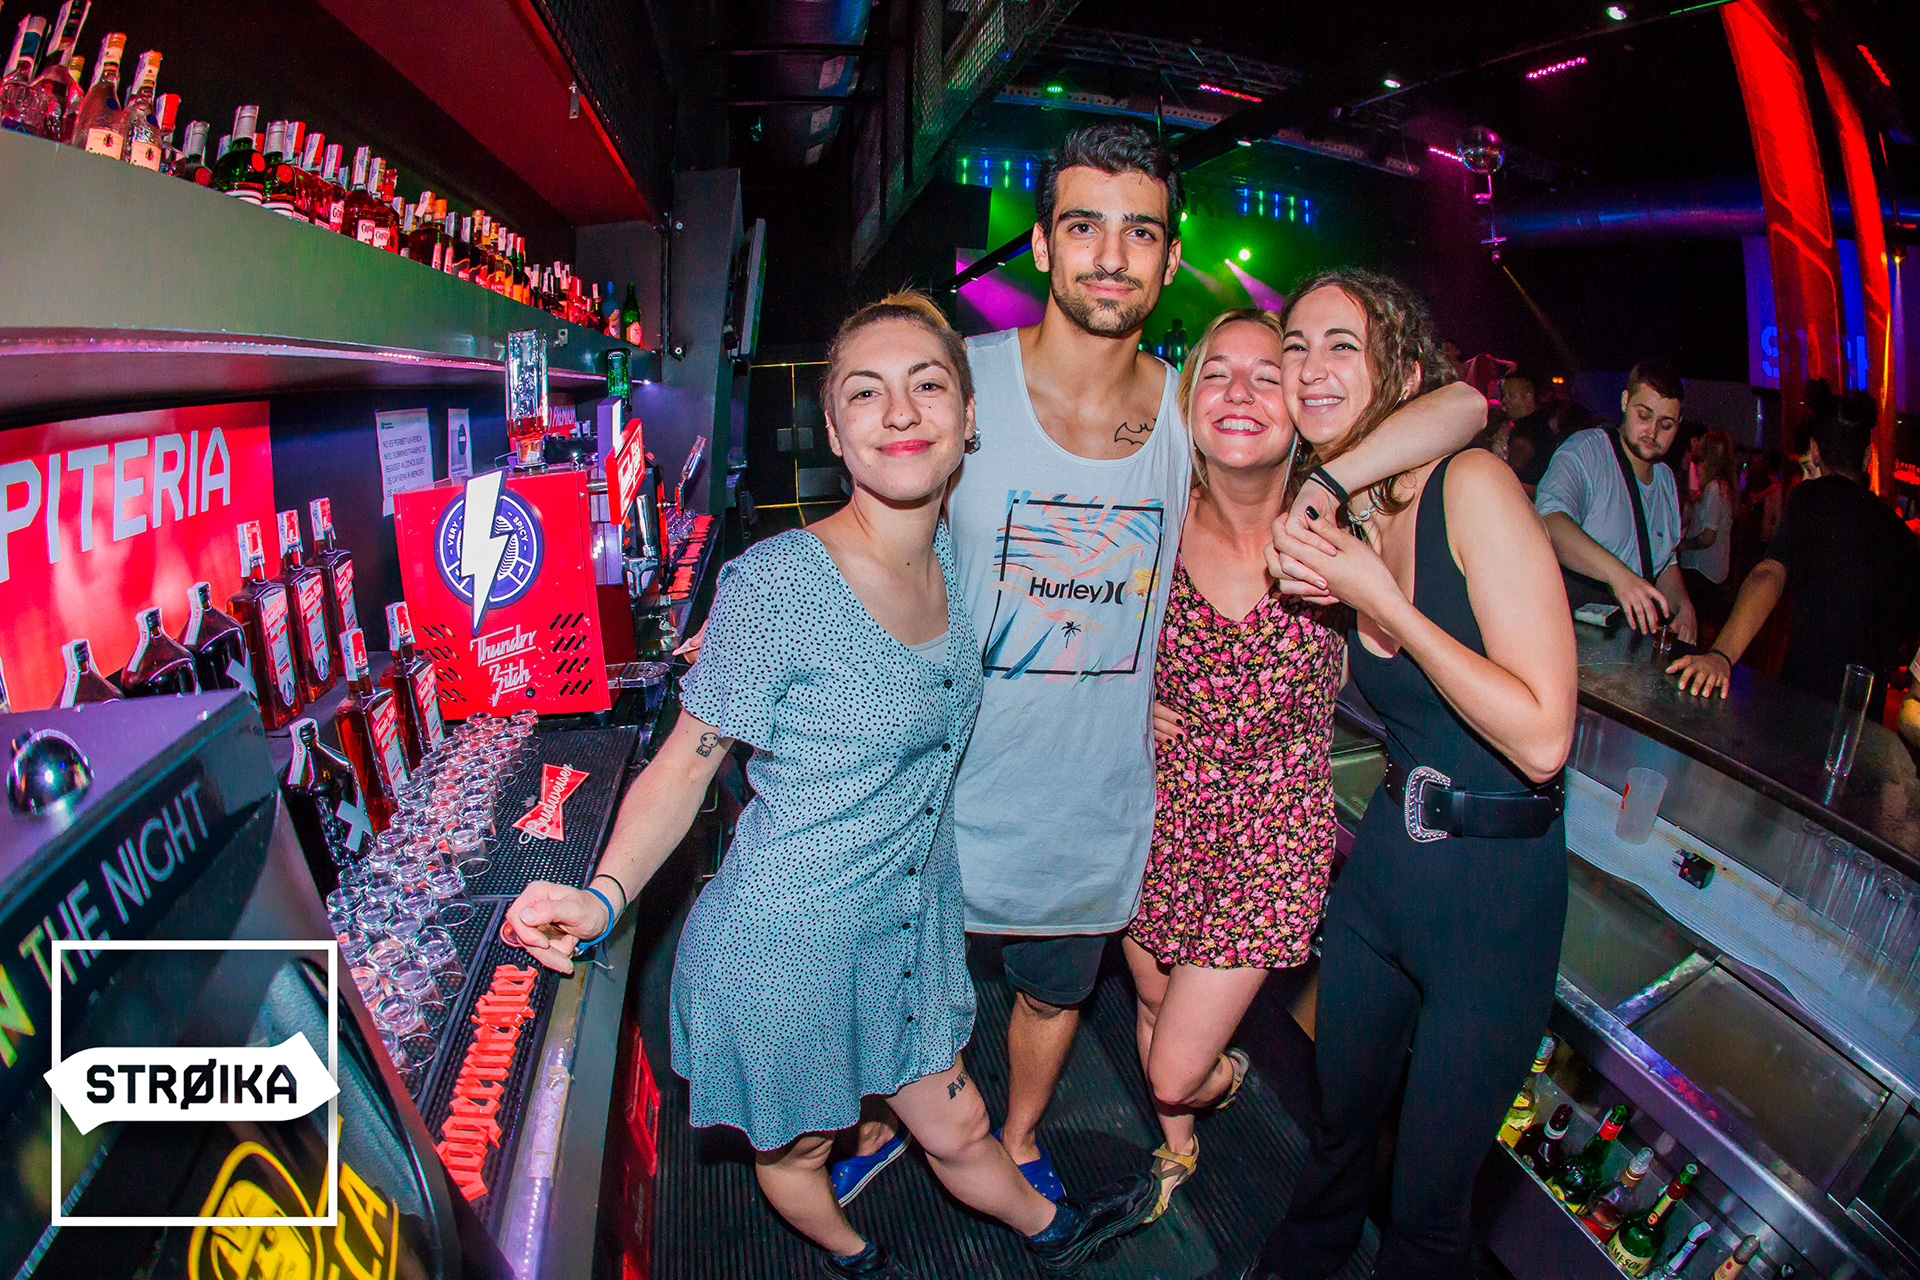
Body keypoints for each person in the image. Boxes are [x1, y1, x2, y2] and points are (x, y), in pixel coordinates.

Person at [502, 294, 1154, 1280]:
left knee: (958, 1119)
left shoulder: (951, 558)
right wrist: (603, 896)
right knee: (802, 1147)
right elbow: (685, 763)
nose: (901, 412)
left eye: (927, 385)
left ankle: (1055, 1231)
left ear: (967, 417)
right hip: (788, 949)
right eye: (866, 393)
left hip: (904, 927)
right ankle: (858, 1254)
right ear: (838, 433)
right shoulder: (775, 587)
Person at [1244, 269, 1577, 1280]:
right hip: (1386, 870)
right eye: (1295, 347)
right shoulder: (1340, 513)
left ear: (1399, 368)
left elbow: (1544, 737)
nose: (1311, 368)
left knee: (1429, 1208)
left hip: (1496, 898)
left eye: (1342, 345)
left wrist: (1382, 602)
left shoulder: (1470, 487)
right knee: (1338, 1131)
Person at [1127, 309, 1486, 1223]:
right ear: (1187, 401)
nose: (1241, 392)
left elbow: (1466, 407)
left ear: (1300, 410)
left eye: (1267, 374)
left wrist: (1331, 478)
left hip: (1271, 829)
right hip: (1154, 806)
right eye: (1216, 372)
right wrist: (1124, 711)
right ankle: (1178, 1144)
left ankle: (1214, 1080)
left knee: (1174, 1062)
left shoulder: (1339, 522)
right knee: (1151, 994)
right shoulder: (1151, 513)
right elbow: (1070, 632)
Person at [1668, 399, 1920, 708]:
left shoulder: (1810, 497)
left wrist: (1721, 655)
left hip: (1806, 699)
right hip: (1866, 713)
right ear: (1868, 457)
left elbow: (1769, 573)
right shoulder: (1903, 535)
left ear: (1815, 450)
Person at [1535, 360, 1697, 641]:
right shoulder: (1586, 451)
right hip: (1568, 631)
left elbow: (1664, 562)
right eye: (1643, 416)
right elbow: (1549, 522)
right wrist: (1618, 576)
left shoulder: (1666, 479)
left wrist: (1683, 606)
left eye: (1666, 425)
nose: (1652, 432)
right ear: (1625, 401)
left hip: (1630, 639)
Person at [1678, 429, 1737, 637]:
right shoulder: (1720, 485)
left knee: (1691, 623)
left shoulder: (1715, 488)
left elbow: (1708, 537)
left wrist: (1681, 546)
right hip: (1708, 567)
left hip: (1702, 567)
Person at [1502, 374, 1555, 495]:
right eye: (1504, 395)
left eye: (1511, 395)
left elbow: (1515, 465)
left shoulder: (1527, 428)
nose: (1505, 400)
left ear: (1528, 397)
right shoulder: (1538, 424)